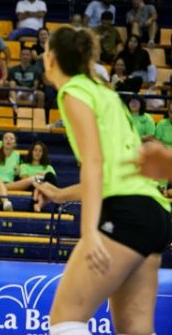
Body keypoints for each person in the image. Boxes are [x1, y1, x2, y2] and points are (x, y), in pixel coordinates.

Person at [33, 26, 171, 335]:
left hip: (125, 214)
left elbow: (93, 163)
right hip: (155, 213)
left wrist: (89, 231)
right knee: (135, 328)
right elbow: (115, 173)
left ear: (51, 58)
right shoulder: (105, 94)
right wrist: (59, 195)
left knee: (65, 319)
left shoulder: (72, 92)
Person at [0, 132, 21, 211]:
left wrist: (18, 170)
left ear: (15, 143)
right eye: (6, 138)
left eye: (11, 138)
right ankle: (6, 202)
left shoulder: (17, 155)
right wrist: (0, 183)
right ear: (2, 142)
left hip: (9, 184)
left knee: (31, 180)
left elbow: (16, 172)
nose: (8, 140)